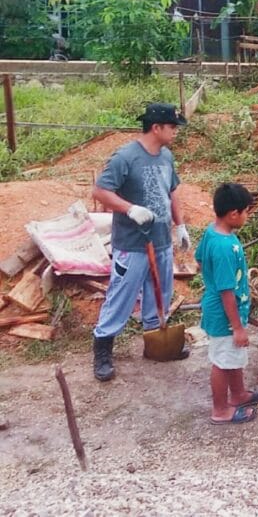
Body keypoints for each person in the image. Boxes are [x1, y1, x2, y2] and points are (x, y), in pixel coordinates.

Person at [91, 103, 191, 382]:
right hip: (132, 243)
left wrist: (180, 225)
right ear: (156, 127)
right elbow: (100, 191)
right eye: (172, 127)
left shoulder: (166, 156)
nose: (175, 132)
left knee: (160, 295)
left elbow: (172, 192)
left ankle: (154, 343)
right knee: (122, 295)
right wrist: (129, 209)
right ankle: (102, 347)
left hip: (160, 240)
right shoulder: (126, 157)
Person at [195, 183, 258, 424]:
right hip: (224, 313)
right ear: (233, 214)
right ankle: (220, 410)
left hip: (223, 309)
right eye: (246, 211)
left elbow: (199, 259)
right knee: (222, 361)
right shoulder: (225, 247)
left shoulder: (212, 232)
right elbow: (227, 291)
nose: (248, 216)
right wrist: (237, 326)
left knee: (231, 355)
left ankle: (238, 394)